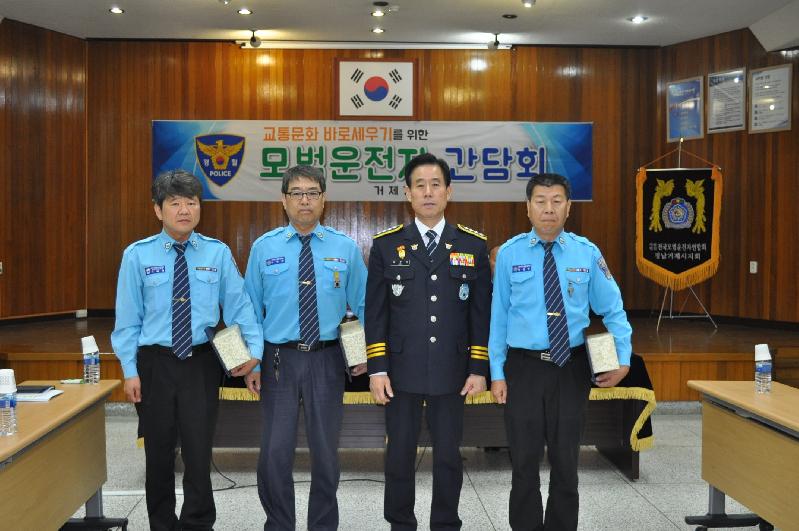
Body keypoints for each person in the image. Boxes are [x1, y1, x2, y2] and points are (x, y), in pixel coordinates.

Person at [111, 169, 263, 531]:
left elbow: (240, 308)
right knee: (158, 453)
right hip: (154, 364)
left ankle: (197, 523)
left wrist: (254, 354)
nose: (184, 210)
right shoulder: (137, 256)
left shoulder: (217, 252)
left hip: (200, 363)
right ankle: (161, 524)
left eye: (191, 203)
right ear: (158, 210)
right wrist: (130, 370)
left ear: (199, 208)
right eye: (175, 203)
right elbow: (128, 321)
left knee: (198, 451)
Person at [488, 173, 632, 531]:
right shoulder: (509, 254)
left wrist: (623, 357)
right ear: (528, 208)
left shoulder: (587, 253)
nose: (548, 209)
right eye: (540, 201)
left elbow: (613, 310)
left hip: (570, 367)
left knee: (566, 462)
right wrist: (497, 372)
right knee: (524, 462)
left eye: (556, 201)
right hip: (523, 368)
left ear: (569, 208)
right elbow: (498, 318)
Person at [366, 152, 492, 530]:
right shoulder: (387, 245)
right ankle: (400, 523)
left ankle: (446, 523)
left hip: (452, 371)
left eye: (435, 184)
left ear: (448, 192)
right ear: (407, 193)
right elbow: (376, 314)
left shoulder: (472, 245)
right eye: (419, 185)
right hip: (400, 372)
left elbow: (480, 315)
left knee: (449, 457)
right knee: (399, 455)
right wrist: (377, 369)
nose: (428, 192)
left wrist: (478, 368)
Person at [244, 165, 368, 531]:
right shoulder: (263, 248)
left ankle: (323, 525)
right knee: (274, 452)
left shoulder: (344, 248)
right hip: (278, 359)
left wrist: (361, 354)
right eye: (296, 193)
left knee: (326, 452)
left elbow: (364, 306)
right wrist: (253, 363)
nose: (304, 200)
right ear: (283, 200)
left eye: (312, 193)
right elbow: (249, 311)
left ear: (324, 199)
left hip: (327, 359)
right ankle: (279, 524)